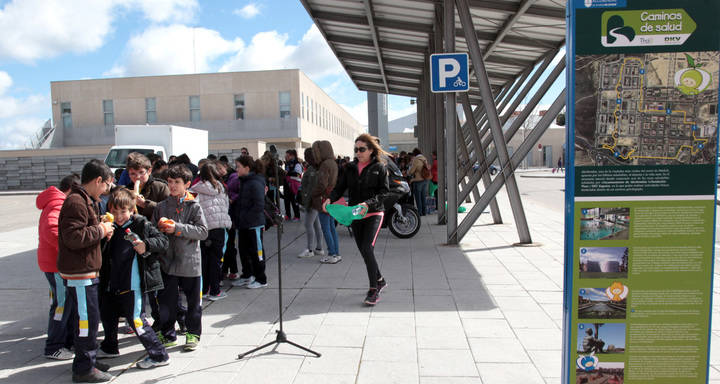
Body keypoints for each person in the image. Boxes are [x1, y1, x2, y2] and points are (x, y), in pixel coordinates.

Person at [97, 188, 170, 369]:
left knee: (136, 319)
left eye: (123, 211)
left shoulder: (141, 224)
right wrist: (102, 237)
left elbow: (163, 242)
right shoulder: (109, 227)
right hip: (111, 282)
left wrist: (146, 245)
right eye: (114, 211)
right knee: (108, 316)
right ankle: (110, 347)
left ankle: (159, 354)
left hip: (132, 283)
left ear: (131, 210)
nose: (119, 215)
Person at [57, 159, 115, 383]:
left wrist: (99, 230)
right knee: (86, 323)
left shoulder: (84, 200)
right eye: (107, 185)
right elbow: (74, 237)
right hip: (80, 274)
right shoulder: (76, 202)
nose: (106, 191)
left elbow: (82, 232)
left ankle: (87, 360)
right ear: (98, 180)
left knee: (88, 320)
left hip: (85, 271)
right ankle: (84, 369)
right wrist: (100, 229)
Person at [326, 134, 391, 305]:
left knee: (367, 248)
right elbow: (340, 187)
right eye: (356, 149)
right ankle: (380, 280)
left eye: (362, 149)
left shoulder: (379, 167)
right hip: (355, 214)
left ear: (371, 150)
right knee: (364, 251)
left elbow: (384, 193)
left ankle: (373, 290)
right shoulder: (350, 168)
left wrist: (368, 204)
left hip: (374, 213)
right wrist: (329, 199)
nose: (358, 152)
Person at [152, 165, 208, 351]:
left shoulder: (194, 207)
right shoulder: (161, 207)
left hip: (190, 262)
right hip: (167, 262)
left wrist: (177, 227)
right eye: (170, 182)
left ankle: (193, 333)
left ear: (187, 185)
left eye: (177, 182)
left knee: (193, 302)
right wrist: (160, 230)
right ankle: (168, 333)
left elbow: (202, 232)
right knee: (167, 302)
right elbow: (152, 232)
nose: (173, 186)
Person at [37, 173, 80, 361]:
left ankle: (66, 341)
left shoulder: (56, 202)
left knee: (65, 303)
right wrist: (70, 246)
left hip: (57, 263)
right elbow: (52, 230)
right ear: (70, 189)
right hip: (55, 265)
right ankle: (54, 346)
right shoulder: (57, 204)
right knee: (60, 305)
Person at [190, 162, 232, 301]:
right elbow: (226, 206)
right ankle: (215, 290)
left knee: (204, 260)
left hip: (203, 229)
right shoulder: (221, 188)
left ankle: (204, 289)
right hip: (219, 227)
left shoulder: (195, 189)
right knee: (216, 260)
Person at [231, 155, 268, 289]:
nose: (236, 169)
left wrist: (246, 218)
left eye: (238, 167)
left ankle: (261, 278)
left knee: (257, 252)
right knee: (244, 251)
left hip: (254, 224)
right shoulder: (245, 181)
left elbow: (259, 205)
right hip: (244, 224)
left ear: (247, 168)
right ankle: (247, 275)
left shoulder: (255, 182)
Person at [311, 141, 340, 264]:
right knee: (332, 228)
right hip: (331, 199)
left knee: (326, 228)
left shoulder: (324, 165)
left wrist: (313, 193)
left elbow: (322, 184)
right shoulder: (333, 163)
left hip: (323, 199)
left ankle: (332, 254)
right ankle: (336, 253)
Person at [298, 148, 325, 258]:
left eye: (306, 155)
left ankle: (310, 249)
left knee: (308, 224)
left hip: (312, 201)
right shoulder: (312, 168)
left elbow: (311, 188)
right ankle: (319, 248)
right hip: (313, 200)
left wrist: (307, 202)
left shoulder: (314, 169)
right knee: (316, 224)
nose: (305, 157)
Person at [408, 148, 430, 216]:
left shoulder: (416, 160)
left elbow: (411, 171)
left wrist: (409, 172)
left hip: (418, 181)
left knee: (418, 198)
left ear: (415, 154)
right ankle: (424, 212)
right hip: (425, 179)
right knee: (423, 196)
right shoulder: (424, 158)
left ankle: (419, 212)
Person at [283, 149, 302, 221]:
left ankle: (297, 216)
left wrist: (287, 173)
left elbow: (298, 174)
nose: (286, 157)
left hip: (294, 185)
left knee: (294, 201)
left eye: (288, 156)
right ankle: (288, 215)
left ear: (292, 156)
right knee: (286, 201)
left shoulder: (297, 163)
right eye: (286, 155)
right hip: (287, 184)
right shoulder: (287, 163)